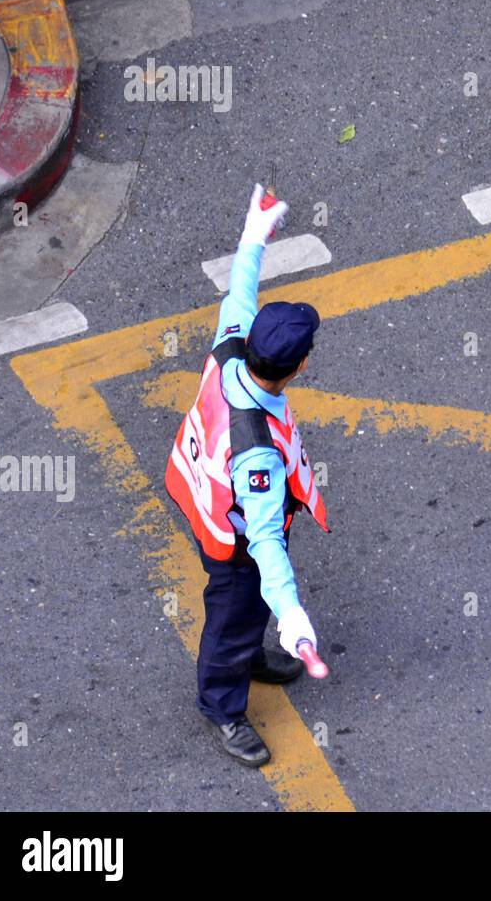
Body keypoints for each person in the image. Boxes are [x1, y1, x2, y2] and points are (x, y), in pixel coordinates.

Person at [164, 184, 330, 766]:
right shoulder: (257, 452)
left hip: (204, 491)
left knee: (245, 611)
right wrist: (292, 612)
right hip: (233, 534)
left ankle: (251, 654)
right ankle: (222, 708)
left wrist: (255, 233)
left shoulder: (231, 343)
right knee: (233, 614)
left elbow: (240, 289)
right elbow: (262, 539)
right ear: (299, 365)